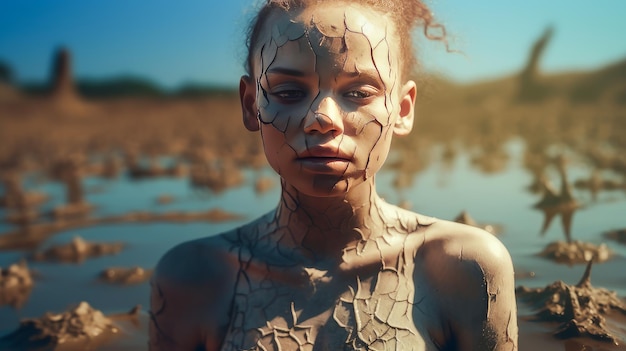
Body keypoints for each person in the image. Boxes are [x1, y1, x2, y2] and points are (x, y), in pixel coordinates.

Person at [149, 0, 519, 350]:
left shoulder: (462, 267)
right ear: (251, 105)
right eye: (290, 91)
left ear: (403, 109)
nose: (322, 119)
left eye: (358, 92)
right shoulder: (193, 277)